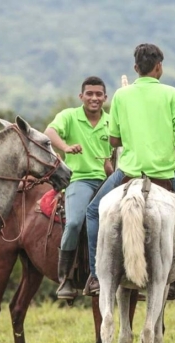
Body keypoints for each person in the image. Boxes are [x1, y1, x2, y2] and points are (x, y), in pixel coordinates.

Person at [83, 43, 175, 300]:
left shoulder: (121, 96)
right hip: (165, 174)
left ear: (136, 68)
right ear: (159, 67)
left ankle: (95, 275)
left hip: (127, 173)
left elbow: (114, 141)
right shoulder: (172, 94)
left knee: (93, 211)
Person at [44, 76, 111, 300]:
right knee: (73, 223)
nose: (94, 98)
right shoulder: (69, 116)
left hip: (107, 181)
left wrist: (111, 165)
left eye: (98, 94)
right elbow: (49, 133)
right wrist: (65, 147)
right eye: (89, 94)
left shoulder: (111, 122)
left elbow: (120, 147)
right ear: (81, 96)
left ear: (105, 97)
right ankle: (66, 278)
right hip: (80, 179)